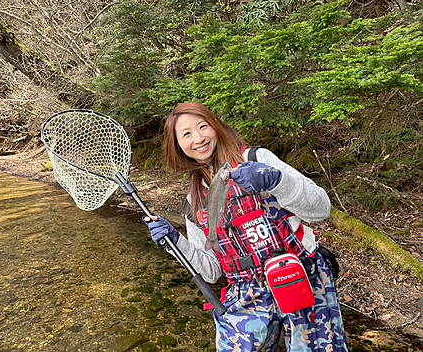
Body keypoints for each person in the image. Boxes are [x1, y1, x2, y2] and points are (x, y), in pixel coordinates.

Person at [144, 102, 349, 352]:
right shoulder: (193, 202)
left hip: (300, 274)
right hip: (246, 291)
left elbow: (321, 209)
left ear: (216, 127)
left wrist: (276, 181)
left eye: (203, 126)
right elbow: (211, 272)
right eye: (186, 134)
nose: (198, 138)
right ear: (177, 145)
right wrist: (176, 241)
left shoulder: (257, 159)